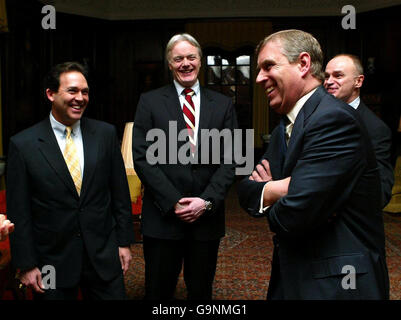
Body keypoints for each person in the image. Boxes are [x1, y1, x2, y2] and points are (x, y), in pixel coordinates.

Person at [238, 29, 389, 299]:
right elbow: (245, 192)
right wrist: (281, 189)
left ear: (304, 64)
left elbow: (295, 215)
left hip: (337, 284)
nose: (259, 77)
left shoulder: (333, 119)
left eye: (268, 66)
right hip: (294, 275)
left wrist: (277, 194)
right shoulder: (283, 129)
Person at [6, 62, 134, 300]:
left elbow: (119, 195)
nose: (80, 98)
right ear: (51, 94)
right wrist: (26, 263)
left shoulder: (105, 135)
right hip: (51, 262)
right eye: (72, 91)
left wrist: (124, 243)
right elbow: (19, 210)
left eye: (85, 92)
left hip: (103, 256)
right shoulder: (23, 145)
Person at [133, 33, 237, 300]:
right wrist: (173, 201)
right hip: (163, 217)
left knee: (201, 291)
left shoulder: (224, 104)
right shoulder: (150, 101)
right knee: (158, 290)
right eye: (178, 58)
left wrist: (206, 201)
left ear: (200, 61)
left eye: (191, 57)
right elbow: (142, 157)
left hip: (206, 219)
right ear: (169, 63)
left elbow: (233, 157)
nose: (185, 63)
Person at [324, 54, 394, 207]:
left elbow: (381, 192)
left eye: (338, 76)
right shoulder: (315, 117)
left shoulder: (375, 129)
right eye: (326, 76)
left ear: (358, 81)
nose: (329, 82)